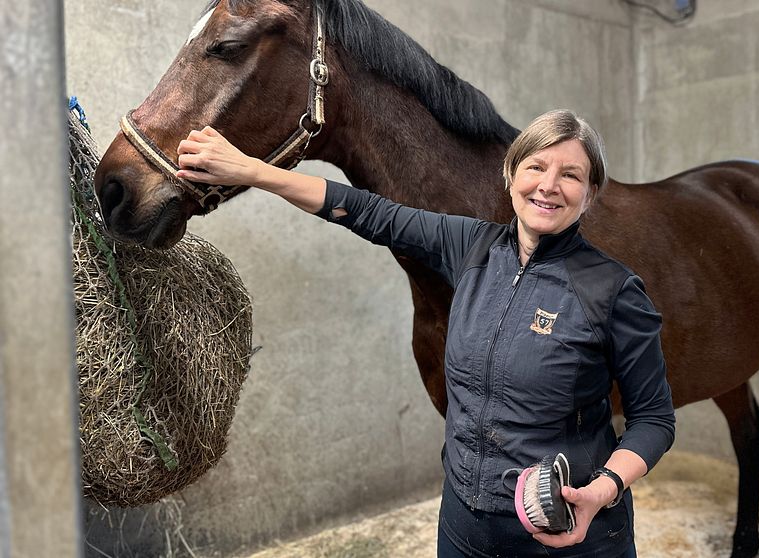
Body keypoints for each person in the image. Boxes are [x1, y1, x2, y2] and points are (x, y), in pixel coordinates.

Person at [175, 109, 676, 557]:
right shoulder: (473, 246)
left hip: (567, 534)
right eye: (536, 167)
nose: (549, 185)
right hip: (463, 524)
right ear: (511, 175)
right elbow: (368, 211)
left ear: (589, 196)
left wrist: (602, 490)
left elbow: (653, 419)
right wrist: (254, 171)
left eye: (571, 175)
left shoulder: (613, 291)